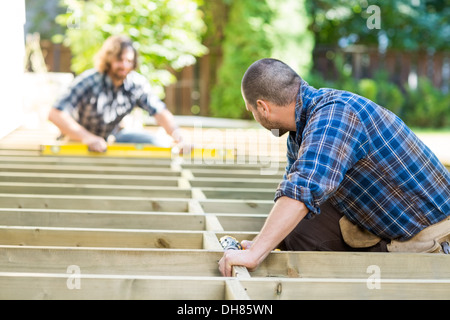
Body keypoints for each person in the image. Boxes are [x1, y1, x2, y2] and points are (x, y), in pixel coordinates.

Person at [219, 58, 450, 277]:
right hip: (391, 225)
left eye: (252, 112)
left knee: (301, 212)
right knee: (300, 228)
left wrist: (254, 255)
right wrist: (261, 244)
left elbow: (304, 187)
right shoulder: (301, 131)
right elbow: (293, 194)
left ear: (263, 107)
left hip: (430, 237)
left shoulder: (335, 115)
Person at [49, 35, 185, 152]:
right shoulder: (89, 81)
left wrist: (179, 137)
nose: (124, 65)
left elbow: (160, 112)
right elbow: (55, 114)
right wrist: (87, 138)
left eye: (129, 61)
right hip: (77, 140)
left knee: (156, 143)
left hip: (109, 140)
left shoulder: (136, 84)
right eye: (120, 60)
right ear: (109, 59)